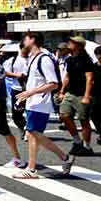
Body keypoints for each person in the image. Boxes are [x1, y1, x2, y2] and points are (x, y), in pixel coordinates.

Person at [13, 32, 74, 180]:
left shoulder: (44, 58)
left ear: (33, 40)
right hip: (34, 102)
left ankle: (36, 167)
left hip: (40, 103)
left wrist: (30, 93)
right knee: (33, 135)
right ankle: (57, 160)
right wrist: (25, 96)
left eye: (26, 38)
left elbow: (53, 84)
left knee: (33, 133)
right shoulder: (33, 58)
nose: (23, 41)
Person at [58, 36, 95, 156]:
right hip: (70, 92)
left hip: (82, 93)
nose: (69, 43)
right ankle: (77, 140)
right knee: (64, 115)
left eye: (72, 42)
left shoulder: (86, 60)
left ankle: (87, 146)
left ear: (78, 46)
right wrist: (62, 91)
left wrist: (86, 96)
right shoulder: (70, 60)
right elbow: (67, 76)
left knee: (84, 120)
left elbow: (89, 79)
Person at [3, 43, 30, 138]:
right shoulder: (13, 60)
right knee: (16, 114)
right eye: (26, 49)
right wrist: (17, 75)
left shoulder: (32, 59)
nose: (28, 51)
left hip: (31, 91)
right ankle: (22, 127)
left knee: (30, 111)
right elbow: (5, 72)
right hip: (17, 89)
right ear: (21, 48)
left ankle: (29, 131)